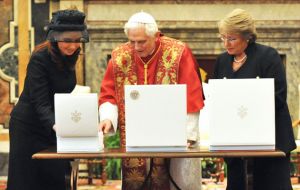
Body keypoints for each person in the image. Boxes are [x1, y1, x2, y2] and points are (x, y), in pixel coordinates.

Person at [99, 11, 204, 190]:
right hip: (135, 134)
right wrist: (107, 117)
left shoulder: (178, 53)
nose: (136, 47)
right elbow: (109, 94)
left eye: (141, 41)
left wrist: (187, 134)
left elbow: (191, 95)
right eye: (132, 41)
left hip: (174, 134)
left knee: (176, 181)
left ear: (156, 36)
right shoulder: (119, 57)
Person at [214, 8, 296, 190]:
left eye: (232, 38)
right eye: (223, 37)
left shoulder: (268, 57)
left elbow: (278, 97)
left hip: (271, 143)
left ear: (248, 36)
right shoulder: (222, 61)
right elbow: (218, 99)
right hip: (235, 142)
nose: (226, 43)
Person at [7, 9, 89, 190]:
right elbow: (40, 101)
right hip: (28, 127)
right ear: (55, 37)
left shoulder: (71, 55)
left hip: (52, 126)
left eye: (77, 40)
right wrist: (55, 124)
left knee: (55, 179)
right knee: (27, 181)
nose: (73, 45)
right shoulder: (40, 58)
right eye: (67, 40)